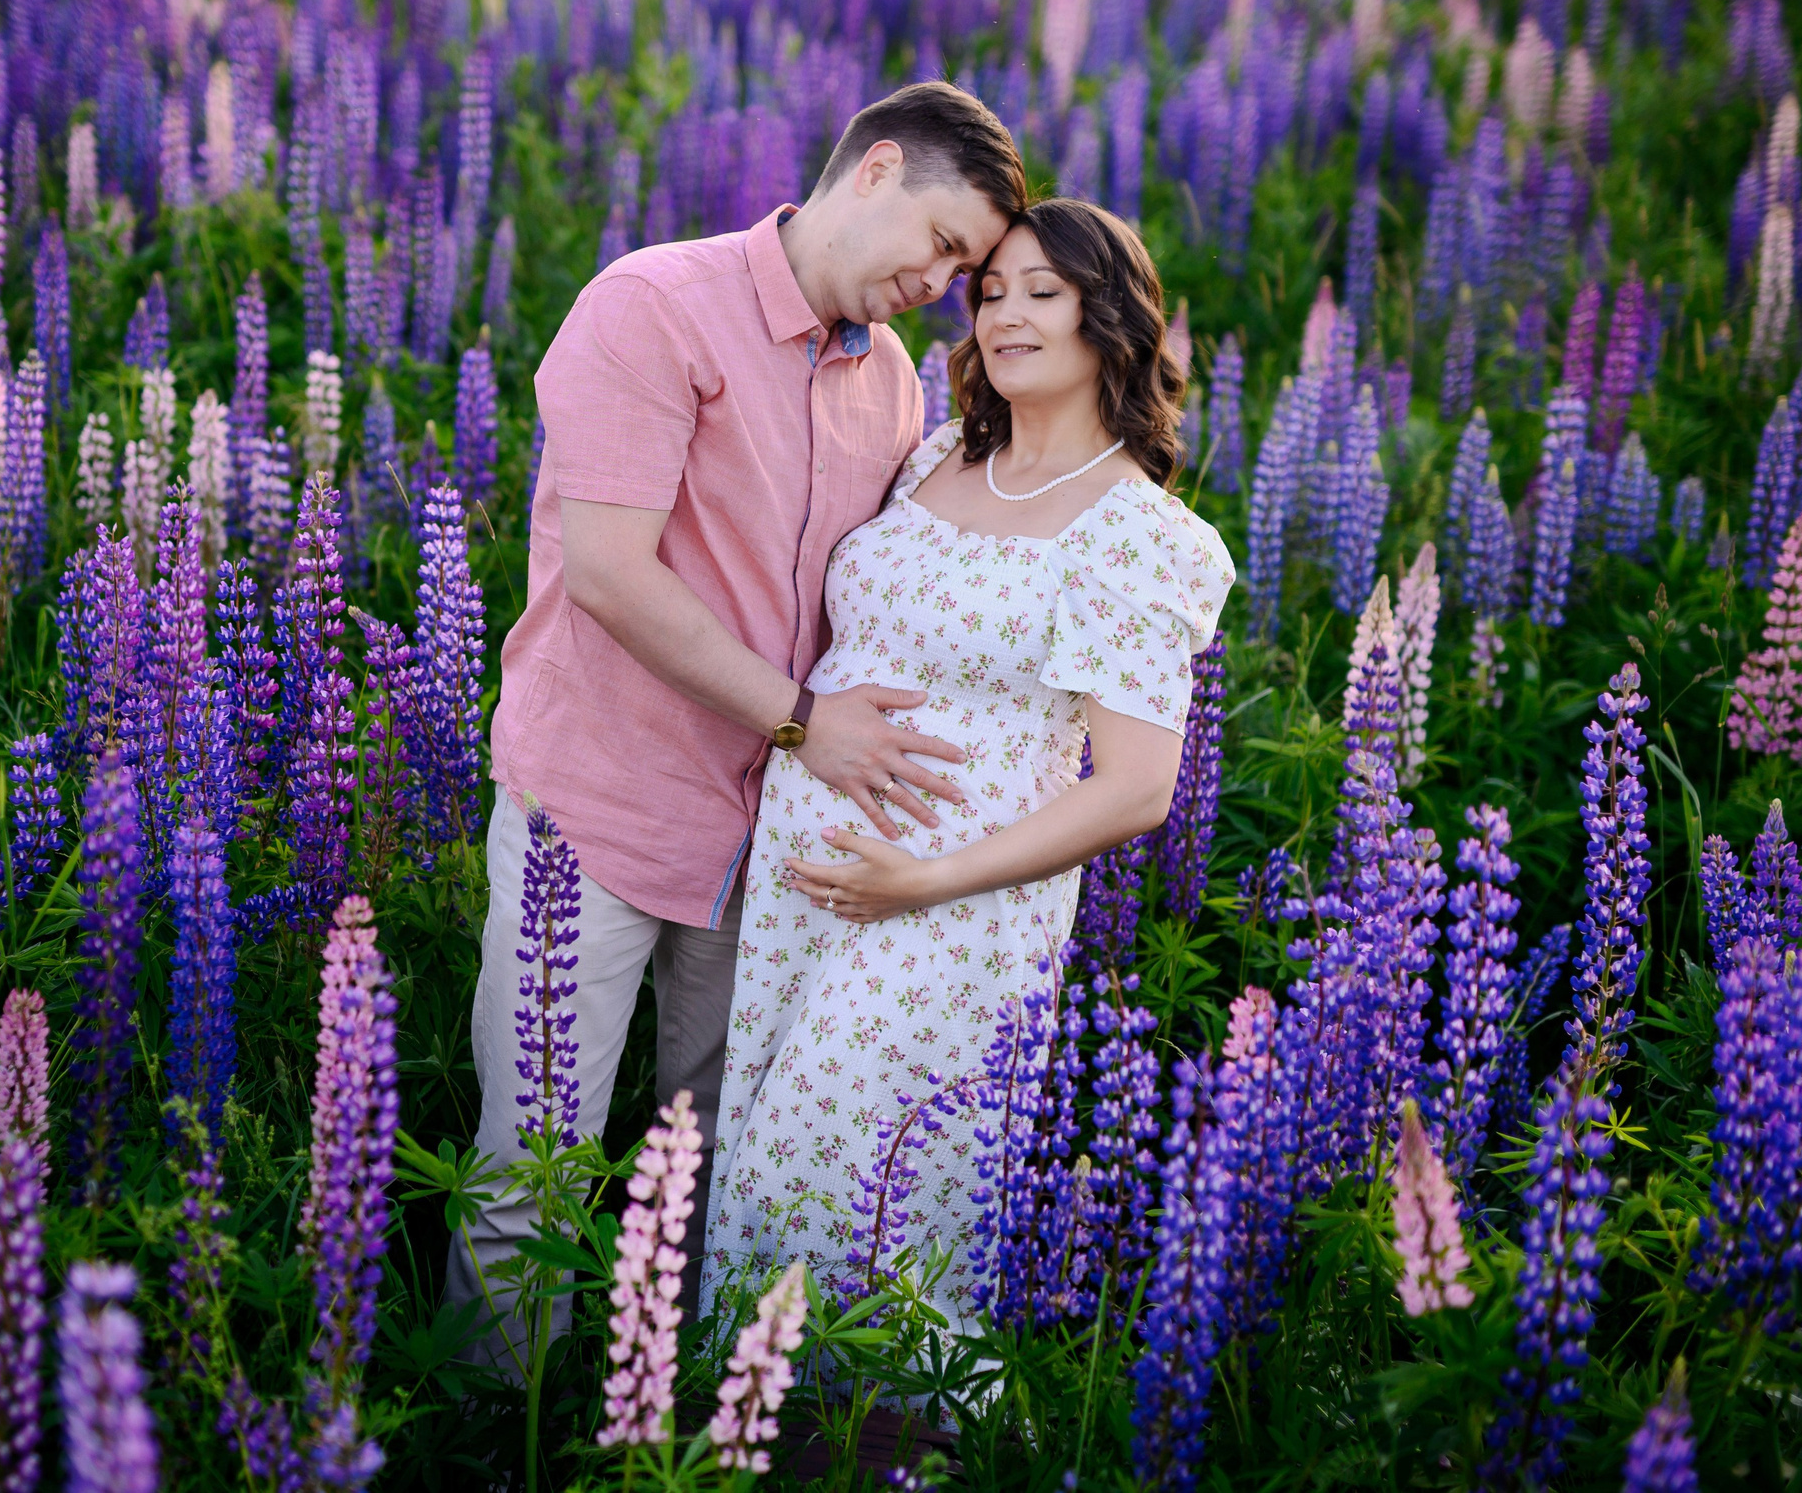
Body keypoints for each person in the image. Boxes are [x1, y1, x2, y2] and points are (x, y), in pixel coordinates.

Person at [448, 82, 1029, 1359]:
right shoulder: (653, 305)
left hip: (763, 845)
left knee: (714, 1177)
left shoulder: (886, 380)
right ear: (873, 169)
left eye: (965, 270)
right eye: (939, 242)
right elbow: (608, 570)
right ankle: (490, 1437)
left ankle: (683, 1419)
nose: (938, 284)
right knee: (530, 1169)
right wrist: (800, 720)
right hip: (593, 816)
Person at [699, 198, 1235, 1337]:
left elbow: (1138, 786)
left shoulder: (1137, 532)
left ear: (1112, 317)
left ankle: (889, 1450)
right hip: (811, 893)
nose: (1006, 314)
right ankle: (756, 1442)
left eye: (1044, 291)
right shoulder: (940, 454)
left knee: (838, 1203)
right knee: (761, 1188)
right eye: (990, 291)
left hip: (949, 916)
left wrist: (923, 881)